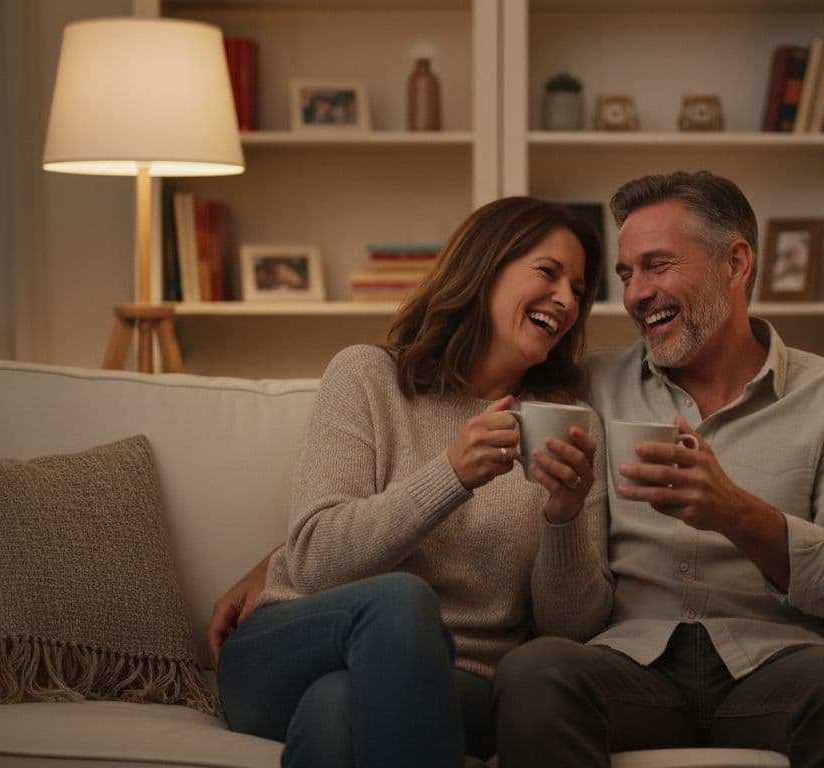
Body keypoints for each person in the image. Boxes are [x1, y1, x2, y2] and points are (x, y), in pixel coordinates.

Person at [491, 171, 824, 767]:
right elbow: (564, 615)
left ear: (735, 263)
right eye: (626, 274)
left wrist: (737, 514)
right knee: (535, 671)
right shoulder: (590, 388)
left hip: (777, 668)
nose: (636, 294)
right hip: (629, 667)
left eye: (657, 266)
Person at [211, 196, 612, 768]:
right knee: (400, 602)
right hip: (292, 645)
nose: (567, 300)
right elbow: (313, 562)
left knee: (336, 707)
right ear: (484, 267)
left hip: (460, 683)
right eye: (548, 273)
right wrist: (449, 475)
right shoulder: (368, 377)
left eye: (579, 288)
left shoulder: (571, 427)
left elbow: (570, 632)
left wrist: (564, 517)